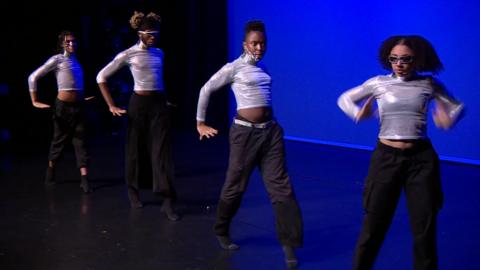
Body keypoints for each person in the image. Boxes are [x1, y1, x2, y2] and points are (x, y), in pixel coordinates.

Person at [337, 35, 464, 269]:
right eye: (394, 59)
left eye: (406, 59)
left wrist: (449, 119)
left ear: (418, 60)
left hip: (421, 160)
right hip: (386, 158)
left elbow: (457, 106)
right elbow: (344, 98)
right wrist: (357, 114)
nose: (399, 64)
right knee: (374, 224)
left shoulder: (429, 84)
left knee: (424, 228)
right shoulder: (378, 83)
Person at [196, 20, 303, 268]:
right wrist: (200, 123)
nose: (259, 47)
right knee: (235, 187)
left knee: (281, 188)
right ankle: (221, 229)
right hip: (244, 135)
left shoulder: (263, 68)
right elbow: (206, 89)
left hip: (270, 133)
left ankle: (289, 245)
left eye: (262, 43)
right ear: (245, 44)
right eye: (254, 43)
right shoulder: (234, 68)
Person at [96, 11, 178, 221]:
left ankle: (167, 200)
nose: (154, 37)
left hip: (159, 104)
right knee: (135, 149)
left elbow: (159, 78)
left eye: (156, 34)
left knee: (162, 151)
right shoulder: (128, 54)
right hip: (138, 105)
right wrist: (111, 105)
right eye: (150, 34)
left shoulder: (160, 52)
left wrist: (165, 99)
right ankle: (133, 191)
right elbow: (101, 77)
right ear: (140, 33)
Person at [28, 30, 91, 193]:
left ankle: (84, 179)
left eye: (73, 41)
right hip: (62, 107)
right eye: (68, 41)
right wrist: (34, 100)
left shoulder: (77, 62)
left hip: (78, 107)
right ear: (62, 43)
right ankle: (50, 171)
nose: (71, 44)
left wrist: (82, 98)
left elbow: (76, 84)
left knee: (80, 141)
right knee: (59, 140)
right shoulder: (57, 60)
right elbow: (33, 77)